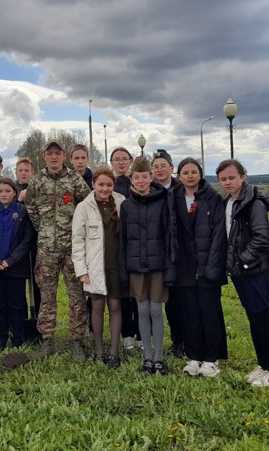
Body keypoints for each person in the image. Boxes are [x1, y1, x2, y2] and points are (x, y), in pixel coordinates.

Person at [217, 159, 269, 388]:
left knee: (261, 319)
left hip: (255, 271)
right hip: (241, 273)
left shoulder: (252, 203)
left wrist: (243, 262)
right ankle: (263, 365)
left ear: (242, 177)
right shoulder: (229, 202)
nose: (227, 182)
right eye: (223, 179)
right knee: (254, 319)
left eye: (232, 177)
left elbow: (262, 238)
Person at [25, 139, 91, 360]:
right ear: (44, 156)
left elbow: (87, 206)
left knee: (77, 296)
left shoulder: (75, 179)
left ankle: (77, 341)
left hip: (73, 250)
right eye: (50, 153)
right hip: (46, 250)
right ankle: (47, 341)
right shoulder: (36, 181)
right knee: (47, 295)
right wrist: (45, 230)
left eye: (58, 153)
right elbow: (31, 208)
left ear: (64, 156)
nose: (54, 157)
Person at [167, 157, 228, 377]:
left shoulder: (212, 199)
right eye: (185, 172)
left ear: (200, 175)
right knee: (189, 313)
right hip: (183, 267)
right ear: (179, 176)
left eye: (194, 172)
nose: (190, 176)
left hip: (207, 266)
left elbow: (220, 235)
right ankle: (194, 356)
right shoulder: (172, 198)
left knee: (209, 313)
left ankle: (211, 359)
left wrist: (213, 266)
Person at [119, 156, 173, 375]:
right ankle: (147, 358)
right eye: (137, 177)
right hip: (136, 266)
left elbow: (169, 235)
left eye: (144, 176)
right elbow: (123, 239)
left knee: (155, 310)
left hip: (158, 265)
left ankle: (159, 358)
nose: (141, 181)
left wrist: (170, 265)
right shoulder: (126, 205)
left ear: (151, 177)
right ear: (131, 179)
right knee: (141, 309)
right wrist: (124, 268)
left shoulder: (163, 201)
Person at [71, 167, 126, 368]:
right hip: (95, 267)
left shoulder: (122, 203)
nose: (105, 189)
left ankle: (113, 352)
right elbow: (77, 241)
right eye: (101, 184)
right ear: (93, 184)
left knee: (115, 306)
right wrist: (82, 270)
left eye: (109, 185)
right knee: (96, 306)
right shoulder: (84, 207)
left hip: (116, 266)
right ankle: (99, 351)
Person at [0, 178, 33, 348]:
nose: (4, 194)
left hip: (15, 267)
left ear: (14, 193)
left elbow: (26, 239)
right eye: (0, 191)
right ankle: (0, 338)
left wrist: (11, 260)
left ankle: (17, 338)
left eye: (7, 191)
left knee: (16, 305)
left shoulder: (22, 212)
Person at [109, 146, 139, 351]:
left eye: (124, 159)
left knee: (139, 293)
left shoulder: (137, 182)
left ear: (130, 161)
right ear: (112, 163)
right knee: (124, 293)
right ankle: (127, 334)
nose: (121, 162)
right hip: (116, 243)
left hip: (137, 243)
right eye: (117, 159)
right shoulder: (109, 186)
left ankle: (141, 334)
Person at [151, 149, 181, 355]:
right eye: (156, 167)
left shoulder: (182, 190)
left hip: (181, 252)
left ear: (172, 168)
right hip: (158, 252)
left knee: (182, 300)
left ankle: (186, 340)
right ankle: (176, 341)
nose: (160, 170)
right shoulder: (150, 191)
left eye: (163, 166)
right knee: (168, 302)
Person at [15, 157, 41, 323]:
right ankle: (21, 319)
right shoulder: (11, 189)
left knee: (37, 284)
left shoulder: (37, 188)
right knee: (18, 285)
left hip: (36, 242)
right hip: (17, 244)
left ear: (32, 173)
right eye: (20, 170)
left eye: (27, 170)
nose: (23, 173)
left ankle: (38, 318)